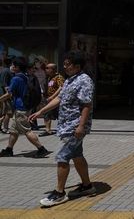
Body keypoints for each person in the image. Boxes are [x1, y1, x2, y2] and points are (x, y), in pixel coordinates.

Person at [29, 51, 96, 207]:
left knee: (62, 156)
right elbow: (60, 98)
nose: (64, 66)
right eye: (64, 64)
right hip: (66, 125)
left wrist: (80, 126)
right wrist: (41, 111)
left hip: (74, 126)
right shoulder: (69, 80)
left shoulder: (84, 80)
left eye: (68, 64)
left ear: (77, 66)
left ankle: (59, 193)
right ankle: (87, 186)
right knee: (77, 155)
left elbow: (87, 104)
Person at [0, 57, 49, 158]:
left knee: (27, 130)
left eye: (13, 65)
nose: (12, 67)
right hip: (24, 106)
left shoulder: (16, 78)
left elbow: (9, 94)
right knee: (14, 130)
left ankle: (41, 149)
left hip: (20, 108)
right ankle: (9, 150)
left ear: (17, 67)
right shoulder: (24, 76)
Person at [39, 63, 65, 137]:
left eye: (47, 68)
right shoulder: (49, 77)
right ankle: (48, 130)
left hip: (57, 99)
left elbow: (61, 88)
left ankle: (62, 130)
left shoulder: (59, 77)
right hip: (48, 99)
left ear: (52, 69)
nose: (46, 70)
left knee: (60, 115)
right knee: (47, 114)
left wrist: (53, 96)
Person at [0, 58, 13, 133]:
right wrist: (8, 93)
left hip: (5, 95)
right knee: (8, 112)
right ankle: (5, 128)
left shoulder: (7, 71)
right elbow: (4, 83)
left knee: (5, 112)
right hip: (5, 95)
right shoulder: (6, 71)